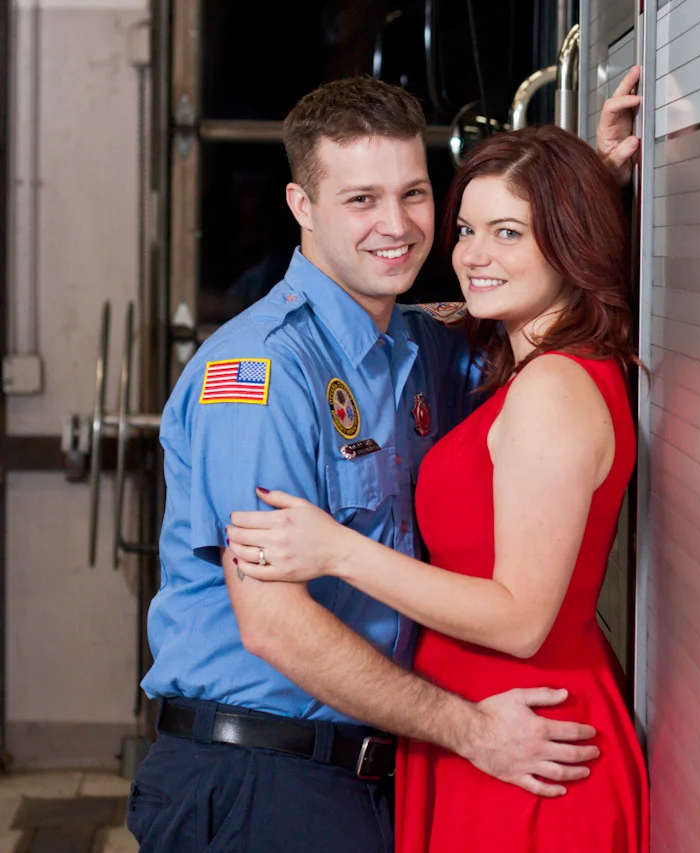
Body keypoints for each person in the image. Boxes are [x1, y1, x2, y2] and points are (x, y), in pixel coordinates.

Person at [130, 76, 640, 853]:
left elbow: (537, 301)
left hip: (380, 767)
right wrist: (468, 729)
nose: (396, 226)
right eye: (361, 200)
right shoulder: (260, 373)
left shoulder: (425, 350)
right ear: (302, 207)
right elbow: (274, 624)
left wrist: (582, 190)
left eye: (413, 194)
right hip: (260, 779)